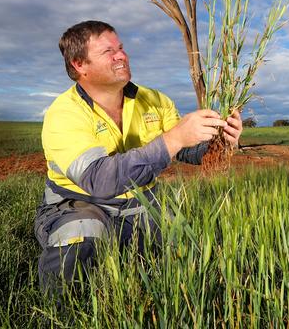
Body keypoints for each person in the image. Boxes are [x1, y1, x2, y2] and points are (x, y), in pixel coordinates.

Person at [34, 20, 242, 296]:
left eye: (121, 48)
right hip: (81, 203)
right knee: (82, 231)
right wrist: (175, 137)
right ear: (79, 65)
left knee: (189, 246)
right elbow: (99, 180)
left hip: (141, 203)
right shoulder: (64, 113)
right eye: (109, 52)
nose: (122, 55)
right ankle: (61, 313)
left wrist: (221, 141)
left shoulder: (155, 100)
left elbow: (187, 151)